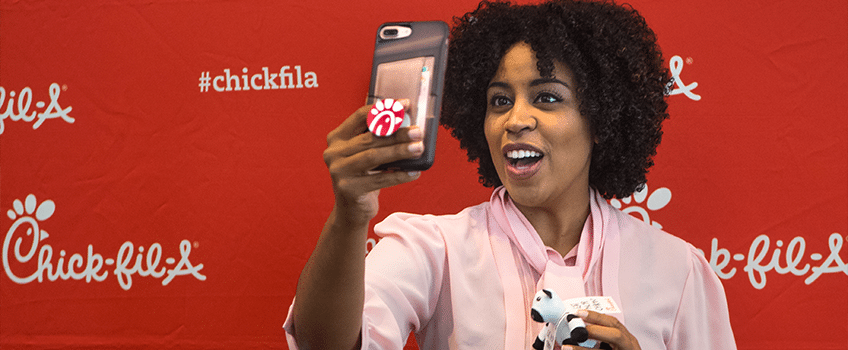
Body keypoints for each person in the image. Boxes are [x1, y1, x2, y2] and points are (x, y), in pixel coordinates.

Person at [284, 0, 737, 349]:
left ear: (600, 121)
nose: (514, 119)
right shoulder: (434, 249)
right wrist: (350, 216)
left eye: (546, 98)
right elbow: (324, 344)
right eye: (500, 101)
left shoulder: (679, 272)